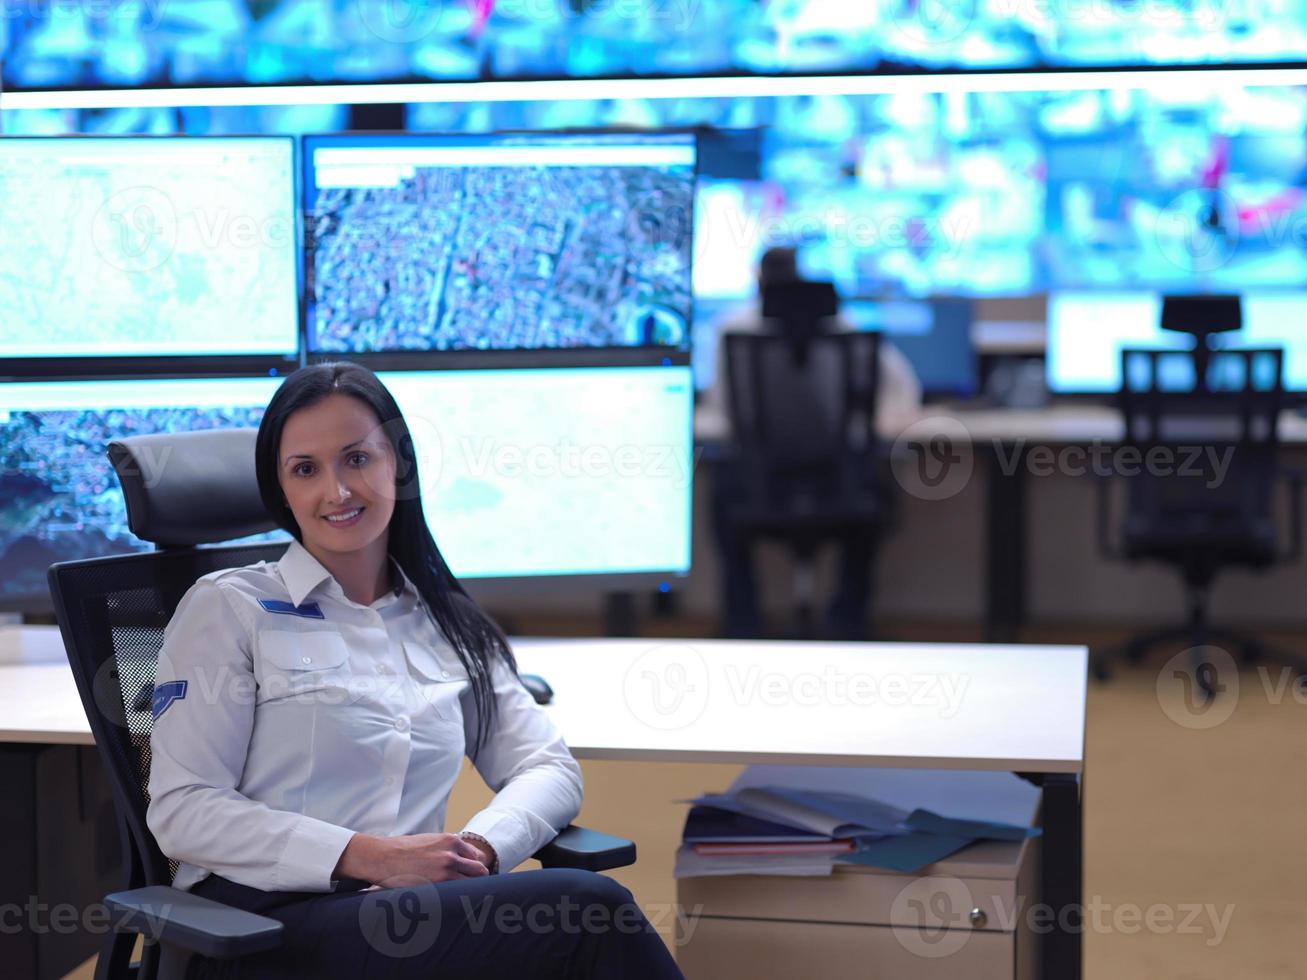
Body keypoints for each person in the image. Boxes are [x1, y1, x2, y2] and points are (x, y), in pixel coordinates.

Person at [147, 362, 684, 979]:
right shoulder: (231, 607)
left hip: (402, 918)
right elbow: (183, 811)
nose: (338, 491)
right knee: (587, 911)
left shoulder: (443, 619)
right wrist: (370, 858)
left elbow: (547, 766)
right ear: (282, 490)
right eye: (306, 469)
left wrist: (477, 850)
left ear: (397, 465)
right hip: (263, 927)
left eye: (356, 459)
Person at [702, 247, 923, 639]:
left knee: (719, 489)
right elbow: (905, 392)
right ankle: (847, 623)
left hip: (760, 489)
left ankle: (742, 627)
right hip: (838, 487)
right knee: (875, 487)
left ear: (758, 280)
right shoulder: (847, 328)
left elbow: (723, 412)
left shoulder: (731, 329)